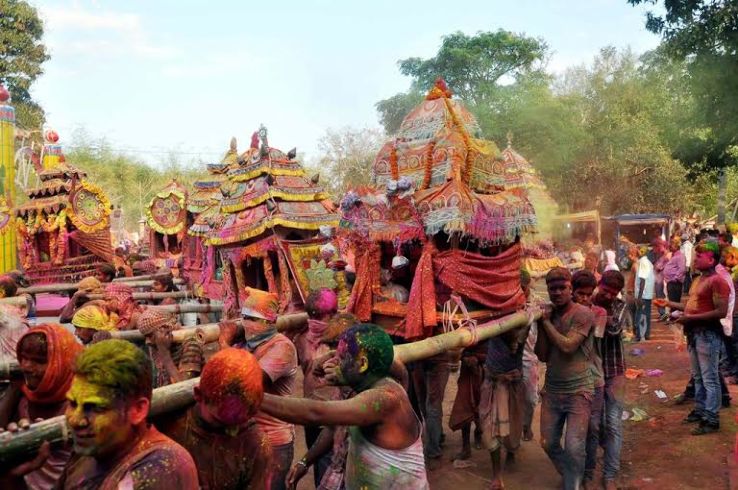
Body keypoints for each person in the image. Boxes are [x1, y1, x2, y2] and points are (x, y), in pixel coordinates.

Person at [260, 323, 428, 489]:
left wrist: (255, 396)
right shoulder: (366, 384)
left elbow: (316, 413)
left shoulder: (384, 398)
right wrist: (305, 461)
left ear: (363, 364)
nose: (334, 362)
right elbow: (334, 426)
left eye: (341, 358)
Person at [55, 339, 199, 488]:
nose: (75, 420)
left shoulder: (164, 465)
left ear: (138, 410)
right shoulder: (90, 451)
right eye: (72, 404)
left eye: (95, 408)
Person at [156, 347, 272, 489]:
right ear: (199, 395)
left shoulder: (255, 444)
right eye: (220, 422)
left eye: (240, 422)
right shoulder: (167, 422)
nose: (233, 431)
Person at [220, 287, 298, 490]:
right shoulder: (244, 344)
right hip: (244, 436)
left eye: (252, 318)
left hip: (272, 441)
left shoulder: (282, 347)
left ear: (270, 322)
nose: (245, 323)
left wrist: (223, 343)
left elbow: (246, 379)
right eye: (244, 317)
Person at [0, 324, 83, 489]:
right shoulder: (25, 394)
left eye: (38, 361)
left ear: (62, 363)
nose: (26, 367)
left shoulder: (79, 404)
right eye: (23, 358)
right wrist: (14, 389)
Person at [535, 267, 596, 490]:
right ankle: (574, 477)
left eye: (562, 288)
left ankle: (573, 483)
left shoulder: (583, 314)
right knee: (548, 443)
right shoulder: (548, 316)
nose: (558, 292)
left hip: (579, 390)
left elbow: (568, 346)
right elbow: (542, 354)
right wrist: (542, 324)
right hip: (553, 389)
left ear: (571, 288)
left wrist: (546, 323)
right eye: (553, 289)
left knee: (574, 446)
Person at [661, 241, 730, 435]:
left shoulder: (718, 281)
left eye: (700, 256)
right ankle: (701, 411)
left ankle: (711, 418)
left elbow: (722, 311)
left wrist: (689, 318)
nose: (695, 259)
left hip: (708, 334)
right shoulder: (698, 280)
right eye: (696, 255)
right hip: (694, 333)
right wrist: (669, 303)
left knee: (710, 378)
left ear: (711, 259)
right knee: (699, 377)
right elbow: (692, 306)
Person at [478, 302, 530, 489]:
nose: (516, 337)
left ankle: (510, 452)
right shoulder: (494, 323)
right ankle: (497, 474)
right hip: (492, 382)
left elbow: (520, 338)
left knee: (512, 429)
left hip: (513, 383)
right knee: (488, 428)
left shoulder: (525, 321)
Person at [571, 270, 607, 490]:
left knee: (592, 427)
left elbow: (598, 338)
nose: (584, 298)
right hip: (572, 379)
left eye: (588, 294)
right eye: (580, 294)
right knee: (575, 430)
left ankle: (589, 471)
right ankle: (574, 470)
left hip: (594, 377)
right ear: (572, 292)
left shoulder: (599, 312)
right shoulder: (564, 312)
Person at [592, 271, 628, 490]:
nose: (609, 297)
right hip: (592, 373)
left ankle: (610, 474)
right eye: (606, 291)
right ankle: (596, 465)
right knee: (594, 424)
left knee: (613, 424)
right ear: (599, 284)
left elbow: (614, 329)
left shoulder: (621, 306)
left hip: (615, 370)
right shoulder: (586, 301)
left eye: (613, 294)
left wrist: (598, 313)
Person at [137, 308, 203, 388]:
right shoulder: (155, 346)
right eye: (146, 337)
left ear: (165, 330)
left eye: (150, 336)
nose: (148, 342)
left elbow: (185, 388)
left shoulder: (190, 344)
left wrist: (165, 355)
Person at [520, 270, 540, 442]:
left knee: (530, 398)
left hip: (529, 359)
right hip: (510, 360)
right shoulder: (508, 307)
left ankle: (526, 426)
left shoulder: (536, 307)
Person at [635, 246, 655, 341]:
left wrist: (639, 296)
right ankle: (646, 334)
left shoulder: (643, 262)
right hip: (648, 294)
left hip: (643, 294)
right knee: (646, 315)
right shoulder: (648, 262)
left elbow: (642, 280)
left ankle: (640, 335)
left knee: (641, 315)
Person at [664, 237, 687, 314]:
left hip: (675, 283)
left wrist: (675, 278)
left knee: (675, 302)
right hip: (671, 282)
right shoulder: (673, 255)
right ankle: (673, 316)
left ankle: (675, 318)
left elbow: (682, 269)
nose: (670, 246)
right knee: (672, 301)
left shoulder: (680, 256)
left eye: (672, 244)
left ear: (677, 246)